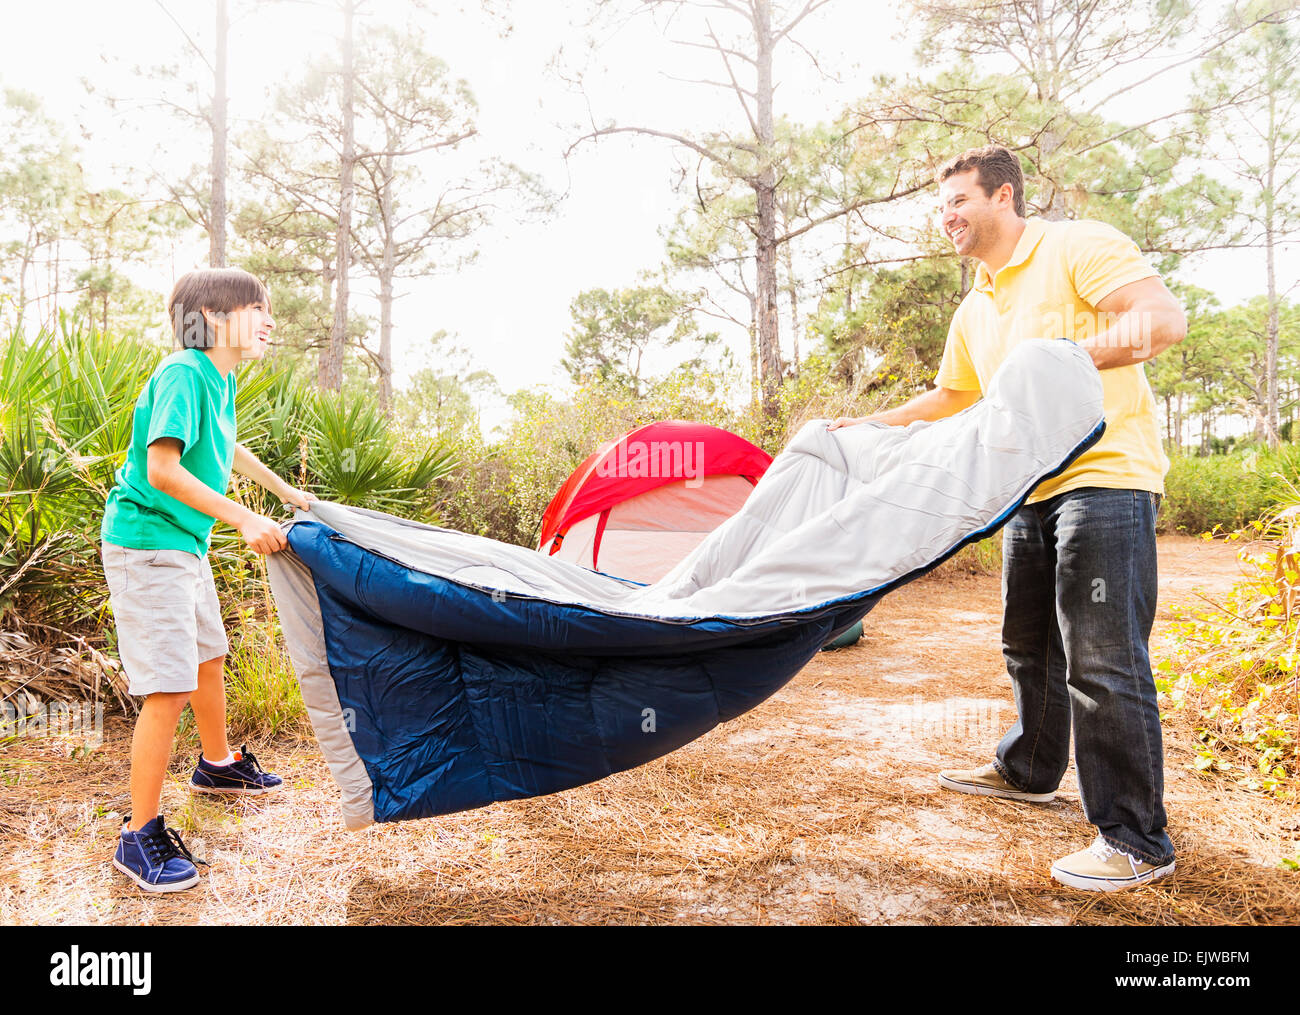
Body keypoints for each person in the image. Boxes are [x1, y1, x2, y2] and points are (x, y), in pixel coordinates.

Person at [830, 144, 1187, 892]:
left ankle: (1135, 838)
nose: (947, 216)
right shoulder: (976, 305)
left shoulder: (1076, 247)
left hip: (1106, 477)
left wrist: (1058, 361)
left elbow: (1160, 320)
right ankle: (1028, 767)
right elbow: (954, 398)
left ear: (1004, 196)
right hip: (1027, 488)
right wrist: (867, 425)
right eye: (941, 206)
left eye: (959, 199)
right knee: (1027, 644)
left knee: (1101, 656)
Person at [100, 267, 316, 892]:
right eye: (257, 309)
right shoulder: (182, 373)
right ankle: (138, 834)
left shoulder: (215, 379)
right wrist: (246, 518)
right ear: (215, 320)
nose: (270, 322)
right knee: (167, 686)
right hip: (148, 546)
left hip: (183, 545)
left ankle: (217, 766)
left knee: (208, 657)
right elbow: (162, 469)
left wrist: (283, 490)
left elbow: (227, 447)